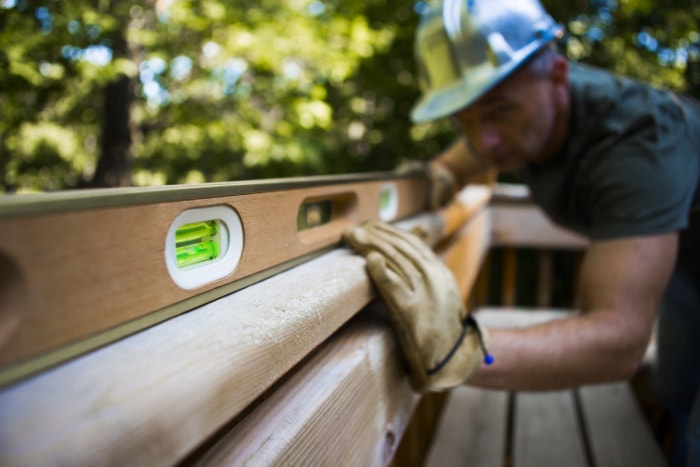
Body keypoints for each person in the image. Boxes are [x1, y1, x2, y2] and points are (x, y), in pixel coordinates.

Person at [342, 0, 700, 465]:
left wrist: (463, 350)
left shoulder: (636, 143)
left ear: (557, 75)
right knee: (676, 386)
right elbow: (459, 161)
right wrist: (430, 184)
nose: (483, 140)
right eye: (464, 120)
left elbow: (619, 340)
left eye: (498, 112)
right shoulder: (521, 118)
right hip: (686, 258)